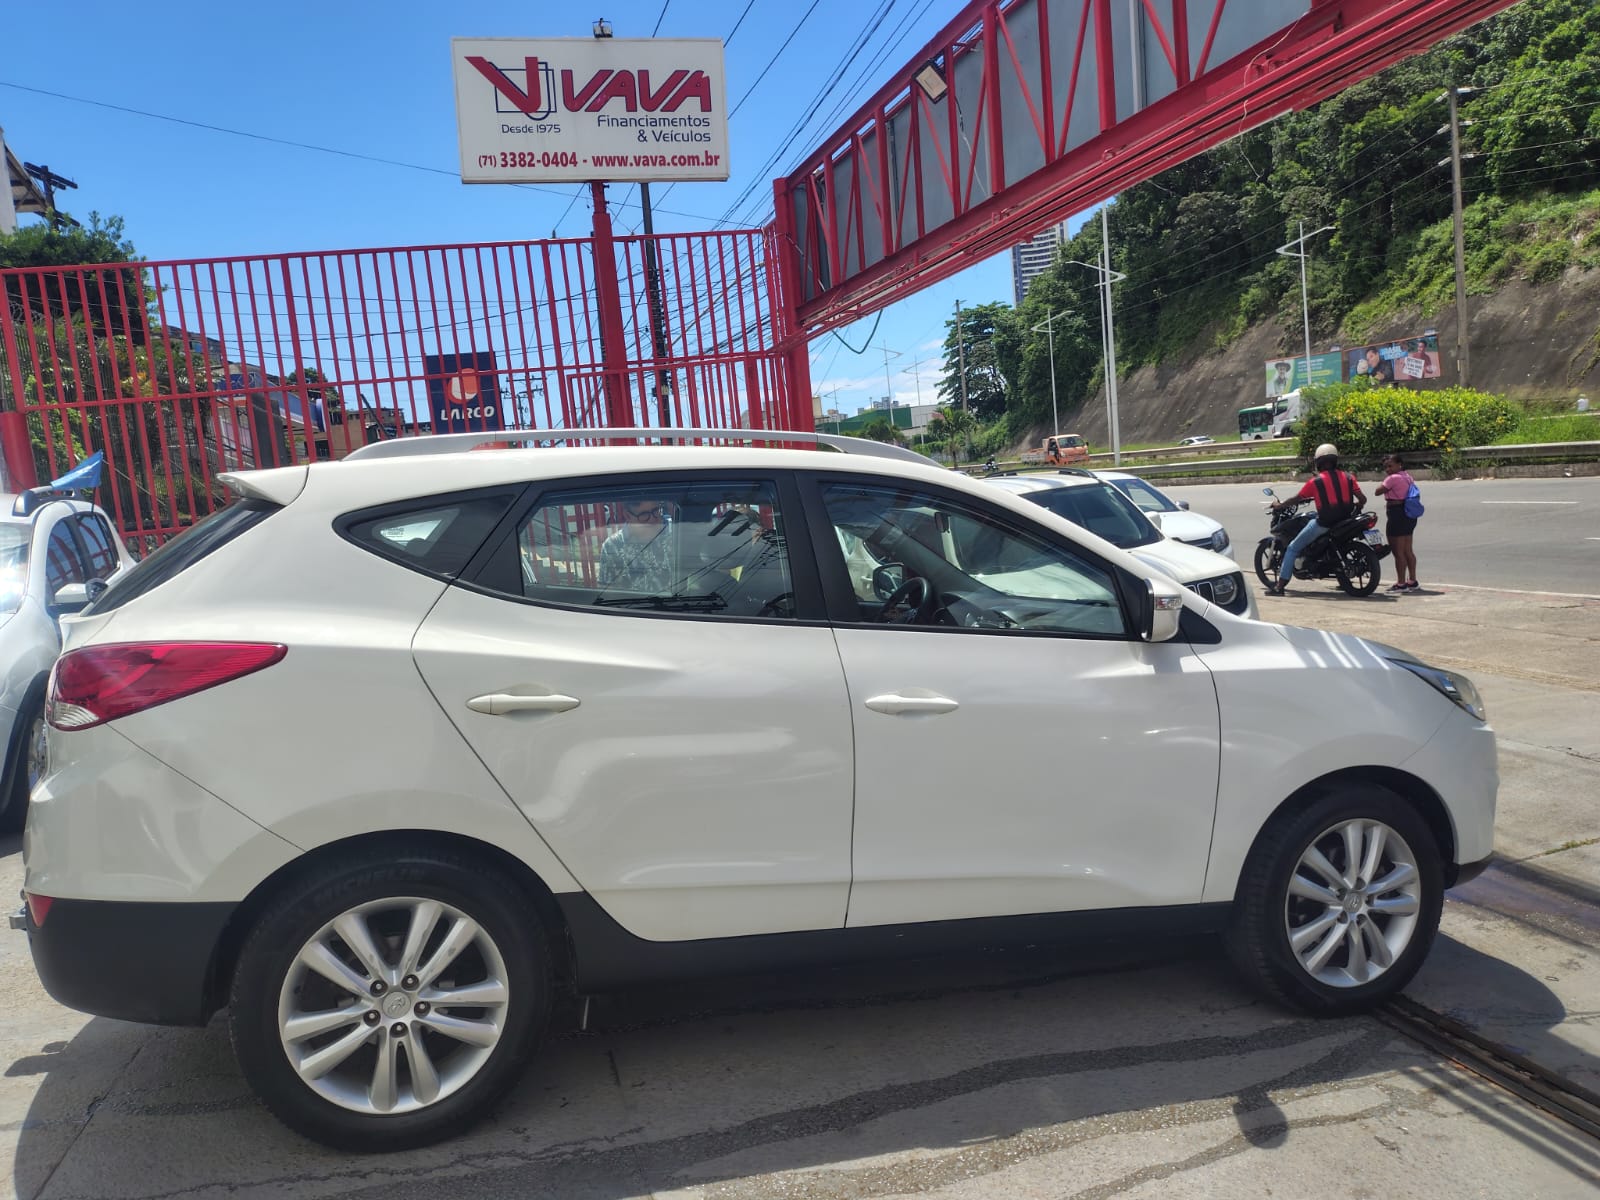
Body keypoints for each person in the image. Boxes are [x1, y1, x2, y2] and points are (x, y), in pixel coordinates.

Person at [1265, 442, 1365, 596]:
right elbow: (1362, 499)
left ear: (1318, 462)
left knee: (1292, 548)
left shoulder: (1316, 482)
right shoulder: (1349, 477)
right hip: (1345, 521)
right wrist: (1357, 506)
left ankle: (1279, 587)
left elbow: (1297, 498)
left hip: (1324, 523)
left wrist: (1280, 505)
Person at [598, 497, 679, 593]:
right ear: (628, 516)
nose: (652, 519)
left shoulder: (673, 537)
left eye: (655, 511)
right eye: (644, 515)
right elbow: (606, 592)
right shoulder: (612, 547)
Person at [1376, 452, 1420, 591]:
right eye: (1385, 467)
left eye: (1390, 466)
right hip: (1408, 513)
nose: (1388, 469)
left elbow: (1377, 491)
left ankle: (1401, 584)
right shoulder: (1407, 476)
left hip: (1397, 514)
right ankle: (1412, 580)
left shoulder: (1392, 478)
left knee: (1398, 551)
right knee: (1408, 550)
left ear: (1399, 464)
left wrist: (1385, 481)